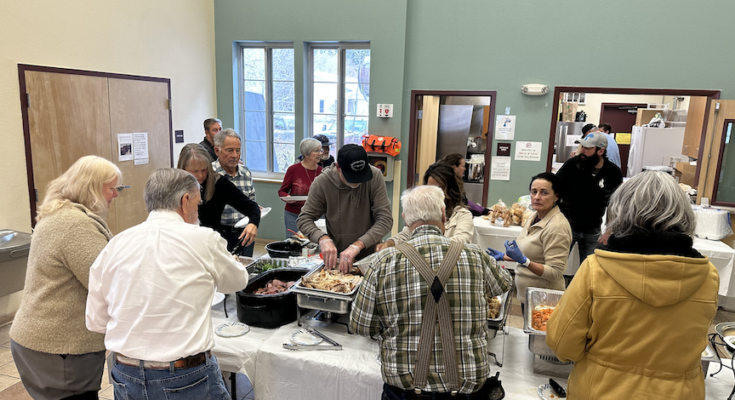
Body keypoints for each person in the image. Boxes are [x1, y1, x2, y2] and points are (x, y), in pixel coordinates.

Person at [546, 171, 719, 399]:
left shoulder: (596, 269)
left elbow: (563, 345)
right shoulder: (708, 276)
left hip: (602, 391)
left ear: (620, 212)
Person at [86, 168, 249, 400]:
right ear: (185, 201)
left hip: (125, 372)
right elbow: (238, 281)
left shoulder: (115, 244)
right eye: (197, 204)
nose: (198, 212)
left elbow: (96, 320)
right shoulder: (203, 238)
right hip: (184, 376)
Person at [351, 185, 511, 399]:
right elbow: (504, 285)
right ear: (444, 215)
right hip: (465, 389)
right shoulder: (475, 255)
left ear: (405, 219)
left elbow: (361, 326)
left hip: (405, 390)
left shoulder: (383, 262)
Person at [10, 156, 121, 399]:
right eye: (111, 188)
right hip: (59, 348)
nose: (115, 194)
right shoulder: (75, 225)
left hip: (40, 341)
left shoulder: (60, 213)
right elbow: (108, 285)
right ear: (92, 187)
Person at [297, 144, 393, 273]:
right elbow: (304, 219)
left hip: (369, 257)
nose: (357, 182)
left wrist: (358, 245)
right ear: (338, 167)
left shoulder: (375, 176)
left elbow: (385, 220)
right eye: (352, 177)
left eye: (361, 177)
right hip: (338, 258)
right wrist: (323, 239)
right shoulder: (322, 182)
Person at [486, 172, 572, 307]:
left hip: (544, 300)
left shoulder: (557, 227)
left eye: (544, 193)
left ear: (556, 196)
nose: (537, 197)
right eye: (534, 192)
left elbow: (554, 273)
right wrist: (504, 256)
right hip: (528, 295)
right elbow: (532, 255)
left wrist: (523, 261)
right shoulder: (534, 216)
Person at [556, 131, 623, 271]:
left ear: (601, 151)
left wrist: (608, 232)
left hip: (592, 229)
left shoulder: (613, 173)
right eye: (582, 146)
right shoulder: (572, 165)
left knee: (589, 270)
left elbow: (614, 205)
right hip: (566, 226)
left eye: (587, 148)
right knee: (555, 265)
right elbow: (554, 188)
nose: (582, 151)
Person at [177, 144, 259, 251]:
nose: (200, 175)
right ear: (183, 169)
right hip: (182, 243)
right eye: (195, 171)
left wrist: (253, 223)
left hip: (211, 244)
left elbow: (251, 206)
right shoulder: (173, 186)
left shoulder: (219, 183)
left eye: (204, 170)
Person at [376, 163, 473, 250]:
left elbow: (461, 241)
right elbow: (406, 233)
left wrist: (425, 246)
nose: (433, 193)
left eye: (439, 188)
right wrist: (390, 243)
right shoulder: (422, 209)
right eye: (430, 188)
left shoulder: (462, 215)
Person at [212, 128, 257, 256]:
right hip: (219, 234)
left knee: (245, 266)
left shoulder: (245, 172)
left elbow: (251, 200)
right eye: (229, 150)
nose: (235, 155)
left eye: (238, 150)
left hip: (245, 233)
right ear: (217, 151)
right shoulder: (210, 174)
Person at [279, 138, 323, 238]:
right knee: (294, 242)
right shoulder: (293, 169)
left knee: (315, 243)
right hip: (294, 215)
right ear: (306, 153)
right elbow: (282, 191)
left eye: (320, 150)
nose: (320, 153)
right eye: (317, 151)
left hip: (316, 215)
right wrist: (287, 197)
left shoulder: (323, 172)